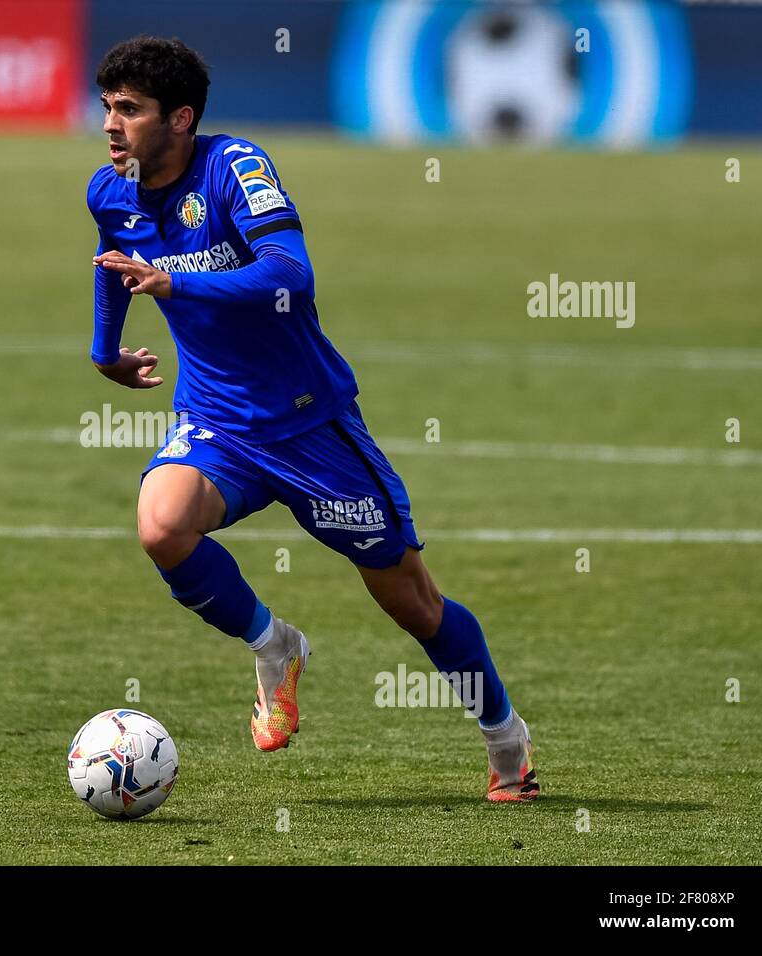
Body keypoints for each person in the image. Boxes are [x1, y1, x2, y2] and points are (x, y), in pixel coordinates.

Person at [86, 35, 539, 801]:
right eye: (107, 107)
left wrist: (176, 285)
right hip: (219, 425)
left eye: (129, 110)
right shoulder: (111, 189)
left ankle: (507, 741)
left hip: (308, 427)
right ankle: (276, 646)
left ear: (182, 118)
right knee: (161, 526)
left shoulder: (235, 168)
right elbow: (110, 258)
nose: (110, 124)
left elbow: (290, 274)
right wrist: (105, 352)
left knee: (412, 602)